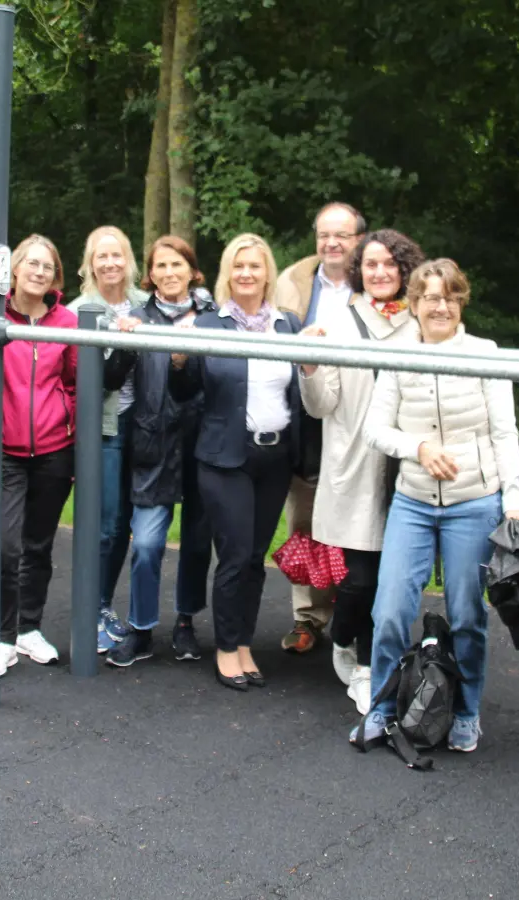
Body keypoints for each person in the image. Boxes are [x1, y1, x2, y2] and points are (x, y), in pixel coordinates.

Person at [352, 258, 519, 754]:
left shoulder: (484, 353)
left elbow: (504, 432)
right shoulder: (401, 355)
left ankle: (465, 712)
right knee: (389, 611)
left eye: (449, 296)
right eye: (429, 297)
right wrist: (419, 448)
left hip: (474, 501)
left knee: (467, 614)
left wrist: (512, 497)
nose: (440, 306)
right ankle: (382, 708)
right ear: (414, 304)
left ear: (461, 301)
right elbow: (376, 429)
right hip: (414, 500)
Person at [298, 228, 423, 712]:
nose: (380, 272)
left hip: (407, 469)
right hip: (354, 467)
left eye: (390, 263)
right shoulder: (338, 322)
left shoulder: (420, 323)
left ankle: (372, 666)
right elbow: (320, 404)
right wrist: (308, 369)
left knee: (391, 581)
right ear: (359, 270)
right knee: (360, 580)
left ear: (404, 268)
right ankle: (345, 637)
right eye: (371, 264)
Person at [170, 234, 303, 690]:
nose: (247, 273)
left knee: (253, 558)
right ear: (229, 271)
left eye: (256, 265)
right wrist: (180, 358)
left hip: (276, 456)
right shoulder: (209, 324)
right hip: (225, 457)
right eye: (239, 265)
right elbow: (184, 392)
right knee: (232, 554)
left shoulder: (288, 326)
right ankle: (226, 649)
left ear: (268, 271)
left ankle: (244, 642)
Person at [101, 235, 217, 667]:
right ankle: (142, 627)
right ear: (150, 275)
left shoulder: (213, 317)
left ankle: (185, 623)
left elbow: (207, 383)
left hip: (204, 443)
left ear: (192, 270)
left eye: (177, 265)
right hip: (153, 442)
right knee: (147, 542)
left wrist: (186, 357)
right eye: (161, 267)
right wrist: (128, 343)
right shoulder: (137, 317)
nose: (169, 273)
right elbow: (111, 380)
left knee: (196, 541)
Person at [0, 234, 78, 674]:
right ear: (14, 270)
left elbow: (74, 378)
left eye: (47, 267)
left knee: (38, 544)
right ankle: (2, 634)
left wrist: (64, 412)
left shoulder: (67, 322)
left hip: (54, 448)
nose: (38, 272)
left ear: (55, 276)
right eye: (31, 264)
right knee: (6, 545)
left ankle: (30, 628)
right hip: (7, 450)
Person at [271, 202, 366, 655]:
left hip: (357, 415)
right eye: (324, 234)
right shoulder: (290, 281)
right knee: (305, 518)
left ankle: (354, 618)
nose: (332, 243)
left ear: (359, 239)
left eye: (342, 235)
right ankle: (308, 618)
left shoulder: (377, 279)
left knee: (357, 519)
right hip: (304, 413)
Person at [67, 226, 148, 654]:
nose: (110, 263)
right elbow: (102, 379)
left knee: (128, 525)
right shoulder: (81, 310)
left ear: (129, 260)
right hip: (106, 425)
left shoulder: (143, 305)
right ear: (90, 263)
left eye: (117, 255)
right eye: (102, 256)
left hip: (144, 424)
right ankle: (93, 606)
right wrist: (127, 343)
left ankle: (104, 604)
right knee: (106, 523)